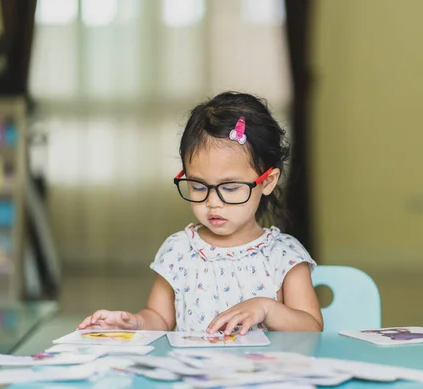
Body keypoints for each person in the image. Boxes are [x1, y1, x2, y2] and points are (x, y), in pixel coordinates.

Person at [78, 91, 323, 335]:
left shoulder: (283, 255)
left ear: (267, 181)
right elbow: (159, 318)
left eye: (230, 187)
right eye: (198, 186)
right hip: (195, 372)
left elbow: (311, 328)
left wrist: (267, 309)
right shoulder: (179, 250)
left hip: (264, 371)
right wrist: (135, 324)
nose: (213, 202)